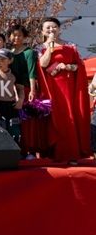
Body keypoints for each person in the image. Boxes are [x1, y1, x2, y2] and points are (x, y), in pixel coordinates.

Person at [36, 17, 91, 162]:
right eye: (47, 28)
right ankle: (54, 153)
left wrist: (66, 67)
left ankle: (71, 153)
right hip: (50, 88)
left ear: (59, 29)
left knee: (69, 116)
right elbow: (43, 64)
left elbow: (78, 66)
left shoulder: (70, 46)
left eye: (54, 27)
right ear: (43, 31)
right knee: (54, 117)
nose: (51, 30)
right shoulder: (39, 47)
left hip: (68, 87)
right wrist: (50, 45)